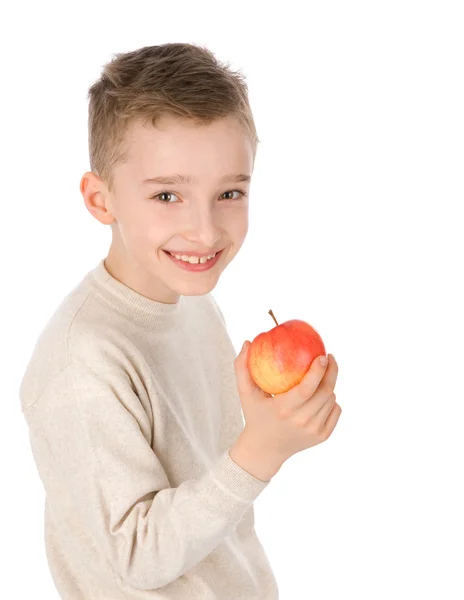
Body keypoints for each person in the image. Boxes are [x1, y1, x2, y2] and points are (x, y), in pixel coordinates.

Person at [19, 42, 341, 599]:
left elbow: (212, 501)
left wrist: (271, 425)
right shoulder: (83, 362)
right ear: (101, 201)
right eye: (167, 194)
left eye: (229, 193)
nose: (205, 230)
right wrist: (262, 449)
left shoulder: (192, 302)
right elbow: (138, 558)